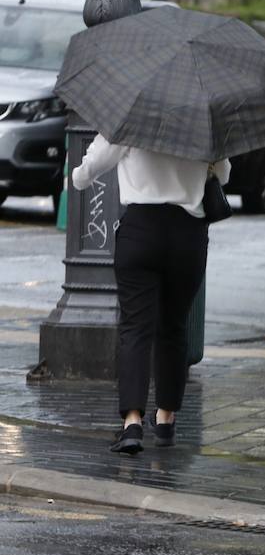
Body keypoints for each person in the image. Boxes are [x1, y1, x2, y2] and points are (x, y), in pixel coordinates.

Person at [71, 139, 230, 454]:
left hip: (141, 231)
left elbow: (89, 169)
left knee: (135, 327)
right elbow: (223, 175)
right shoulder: (205, 126)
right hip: (188, 236)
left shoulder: (132, 122)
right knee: (173, 325)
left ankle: (132, 422)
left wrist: (78, 173)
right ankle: (167, 418)